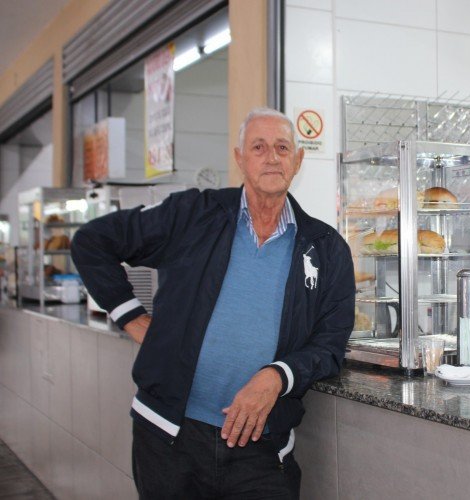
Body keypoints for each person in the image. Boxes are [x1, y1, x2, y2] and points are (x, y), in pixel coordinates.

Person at [71, 107, 355, 499]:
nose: (272, 156)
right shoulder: (192, 214)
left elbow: (331, 344)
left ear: (298, 160)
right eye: (258, 146)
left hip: (262, 448)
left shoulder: (326, 248)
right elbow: (92, 241)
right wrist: (132, 317)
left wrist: (277, 375)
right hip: (170, 439)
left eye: (282, 147)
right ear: (239, 158)